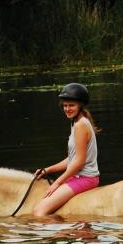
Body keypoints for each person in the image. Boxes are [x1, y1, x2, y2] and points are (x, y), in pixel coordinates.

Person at [32, 83, 101, 217]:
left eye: (71, 105)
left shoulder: (81, 125)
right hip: (78, 177)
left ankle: (65, 229)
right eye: (65, 105)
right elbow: (72, 159)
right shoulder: (77, 123)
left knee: (39, 212)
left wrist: (57, 182)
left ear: (80, 105)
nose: (67, 109)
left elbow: (79, 162)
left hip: (85, 178)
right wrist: (47, 170)